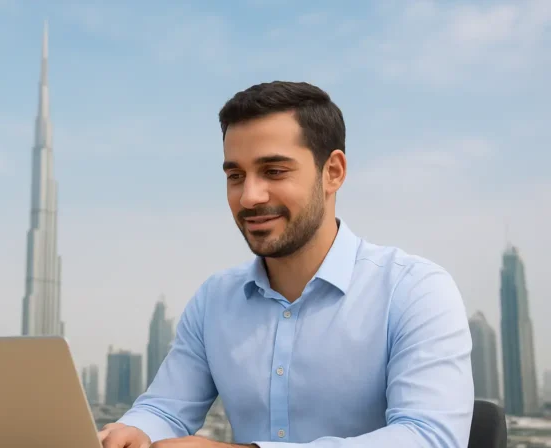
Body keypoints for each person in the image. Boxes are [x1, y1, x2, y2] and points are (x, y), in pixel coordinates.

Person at [98, 81, 474, 447]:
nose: (249, 197)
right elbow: (166, 409)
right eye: (235, 176)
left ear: (333, 172)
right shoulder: (215, 299)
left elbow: (430, 437)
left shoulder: (413, 291)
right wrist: (132, 432)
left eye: (274, 172)